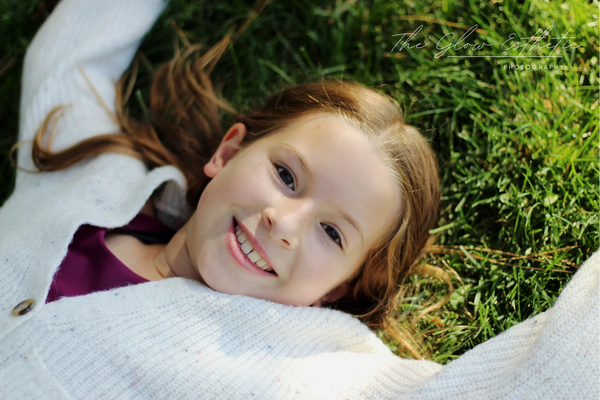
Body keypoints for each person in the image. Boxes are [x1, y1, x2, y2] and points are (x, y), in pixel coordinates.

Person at [2, 0, 600, 399]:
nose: (283, 223)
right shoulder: (93, 186)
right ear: (229, 153)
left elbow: (535, 385)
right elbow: (67, 65)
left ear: (336, 288)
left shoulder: (309, 370)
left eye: (333, 234)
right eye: (287, 176)